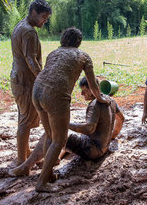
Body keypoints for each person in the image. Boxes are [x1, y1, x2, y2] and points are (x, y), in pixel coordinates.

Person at [32, 27, 108, 192]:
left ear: (62, 40)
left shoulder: (53, 53)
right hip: (55, 96)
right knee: (59, 140)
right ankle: (42, 183)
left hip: (36, 91)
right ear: (78, 42)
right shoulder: (82, 56)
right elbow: (93, 85)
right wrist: (100, 97)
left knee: (50, 137)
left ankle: (49, 174)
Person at [9, 77, 124, 182]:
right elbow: (121, 118)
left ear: (92, 89)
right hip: (103, 147)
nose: (82, 93)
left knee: (54, 132)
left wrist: (64, 123)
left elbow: (89, 128)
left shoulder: (94, 105)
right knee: (66, 134)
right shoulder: (110, 100)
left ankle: (26, 167)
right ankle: (57, 157)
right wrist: (112, 135)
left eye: (84, 90)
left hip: (92, 151)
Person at [10, 0, 52, 165]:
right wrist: (42, 79)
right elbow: (31, 60)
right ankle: (22, 161)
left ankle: (26, 153)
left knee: (23, 119)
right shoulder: (29, 32)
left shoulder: (21, 26)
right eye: (43, 17)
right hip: (26, 82)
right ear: (33, 12)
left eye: (46, 18)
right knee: (26, 122)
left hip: (18, 79)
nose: (45, 21)